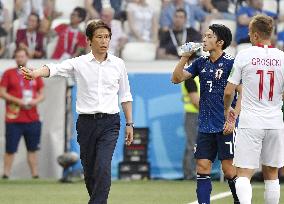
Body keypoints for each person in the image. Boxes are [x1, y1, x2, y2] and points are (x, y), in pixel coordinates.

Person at [21, 20, 134, 204]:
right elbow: (55, 69)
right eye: (99, 37)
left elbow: (125, 95)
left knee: (103, 167)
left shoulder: (118, 64)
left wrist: (129, 123)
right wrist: (36, 73)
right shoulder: (79, 63)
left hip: (110, 123)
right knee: (89, 172)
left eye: (107, 37)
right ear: (89, 40)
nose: (104, 41)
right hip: (86, 124)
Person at [171, 24, 241, 204]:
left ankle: (240, 201)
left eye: (209, 36)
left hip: (225, 125)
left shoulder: (231, 63)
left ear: (220, 42)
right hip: (204, 125)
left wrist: (232, 119)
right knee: (202, 167)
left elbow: (243, 92)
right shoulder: (200, 62)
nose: (204, 39)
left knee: (229, 170)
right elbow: (176, 78)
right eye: (205, 36)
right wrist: (184, 57)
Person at [224, 14, 284, 204]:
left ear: (256, 35)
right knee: (272, 174)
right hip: (274, 122)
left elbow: (228, 91)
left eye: (250, 33)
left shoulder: (244, 55)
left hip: (250, 122)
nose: (249, 37)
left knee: (243, 173)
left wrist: (228, 109)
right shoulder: (282, 57)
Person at [0, 47, 44, 179]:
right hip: (13, 119)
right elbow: (2, 92)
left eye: (22, 56)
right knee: (10, 149)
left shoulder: (34, 73)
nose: (20, 58)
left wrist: (34, 101)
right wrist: (18, 101)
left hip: (32, 118)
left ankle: (35, 175)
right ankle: (6, 175)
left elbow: (42, 94)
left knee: (33, 149)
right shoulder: (8, 73)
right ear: (15, 58)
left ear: (27, 57)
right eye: (17, 56)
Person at [181, 77, 199, 180]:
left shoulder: (197, 77)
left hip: (197, 113)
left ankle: (193, 172)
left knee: (195, 144)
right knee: (192, 144)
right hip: (192, 114)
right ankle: (189, 174)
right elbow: (195, 100)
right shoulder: (190, 78)